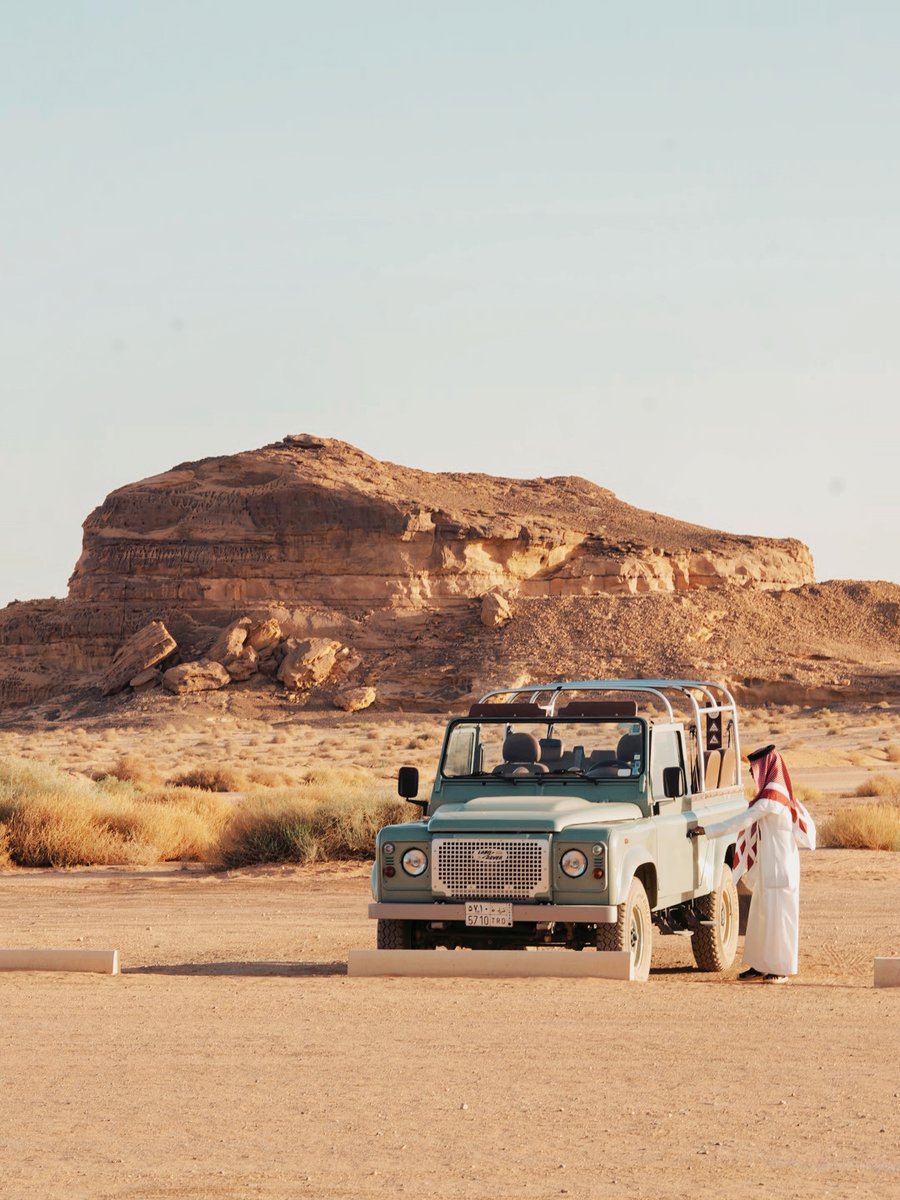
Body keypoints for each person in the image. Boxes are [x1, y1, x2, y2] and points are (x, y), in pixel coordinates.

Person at [693, 744, 816, 983]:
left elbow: (741, 821)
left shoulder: (773, 799)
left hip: (780, 870)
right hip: (768, 870)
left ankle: (780, 969)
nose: (751, 773)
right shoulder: (775, 795)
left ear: (766, 768)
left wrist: (707, 830)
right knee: (761, 919)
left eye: (754, 769)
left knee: (779, 920)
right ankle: (759, 966)